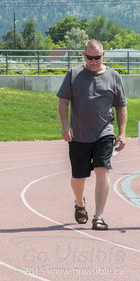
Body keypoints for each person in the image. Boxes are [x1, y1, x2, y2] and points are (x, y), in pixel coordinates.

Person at [57, 39, 127, 231]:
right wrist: (65, 125)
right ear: (84, 55)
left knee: (102, 170)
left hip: (104, 132)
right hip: (78, 134)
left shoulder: (114, 76)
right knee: (78, 178)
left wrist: (121, 133)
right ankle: (80, 203)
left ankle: (99, 216)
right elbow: (63, 101)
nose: (94, 61)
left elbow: (121, 106)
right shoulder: (73, 74)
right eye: (90, 57)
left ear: (103, 55)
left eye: (97, 57)